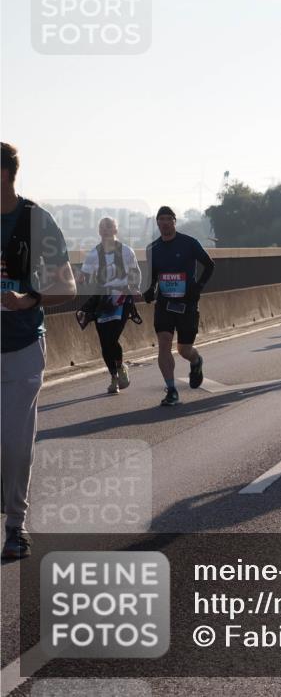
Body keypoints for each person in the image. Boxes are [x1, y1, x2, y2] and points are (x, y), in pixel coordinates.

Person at [2, 142, 77, 558]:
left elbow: (66, 286)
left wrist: (29, 298)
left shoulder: (36, 222)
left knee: (14, 444)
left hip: (22, 347)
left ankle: (15, 525)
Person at [143, 206, 215, 406]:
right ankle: (171, 390)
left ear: (175, 221)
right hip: (165, 304)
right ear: (157, 223)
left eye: (168, 219)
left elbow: (210, 265)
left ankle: (196, 361)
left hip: (187, 303)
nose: (165, 222)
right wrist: (150, 290)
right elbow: (152, 277)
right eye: (161, 219)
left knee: (184, 349)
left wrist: (198, 287)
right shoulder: (152, 249)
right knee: (164, 343)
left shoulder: (189, 243)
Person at [79, 217, 142, 394]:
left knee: (112, 337)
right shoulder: (93, 254)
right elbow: (85, 275)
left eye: (109, 227)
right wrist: (80, 279)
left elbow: (135, 273)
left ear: (116, 230)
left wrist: (135, 289)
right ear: (99, 231)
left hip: (121, 298)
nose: (105, 230)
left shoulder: (127, 251)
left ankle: (121, 368)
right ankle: (114, 376)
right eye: (102, 227)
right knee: (104, 341)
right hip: (102, 300)